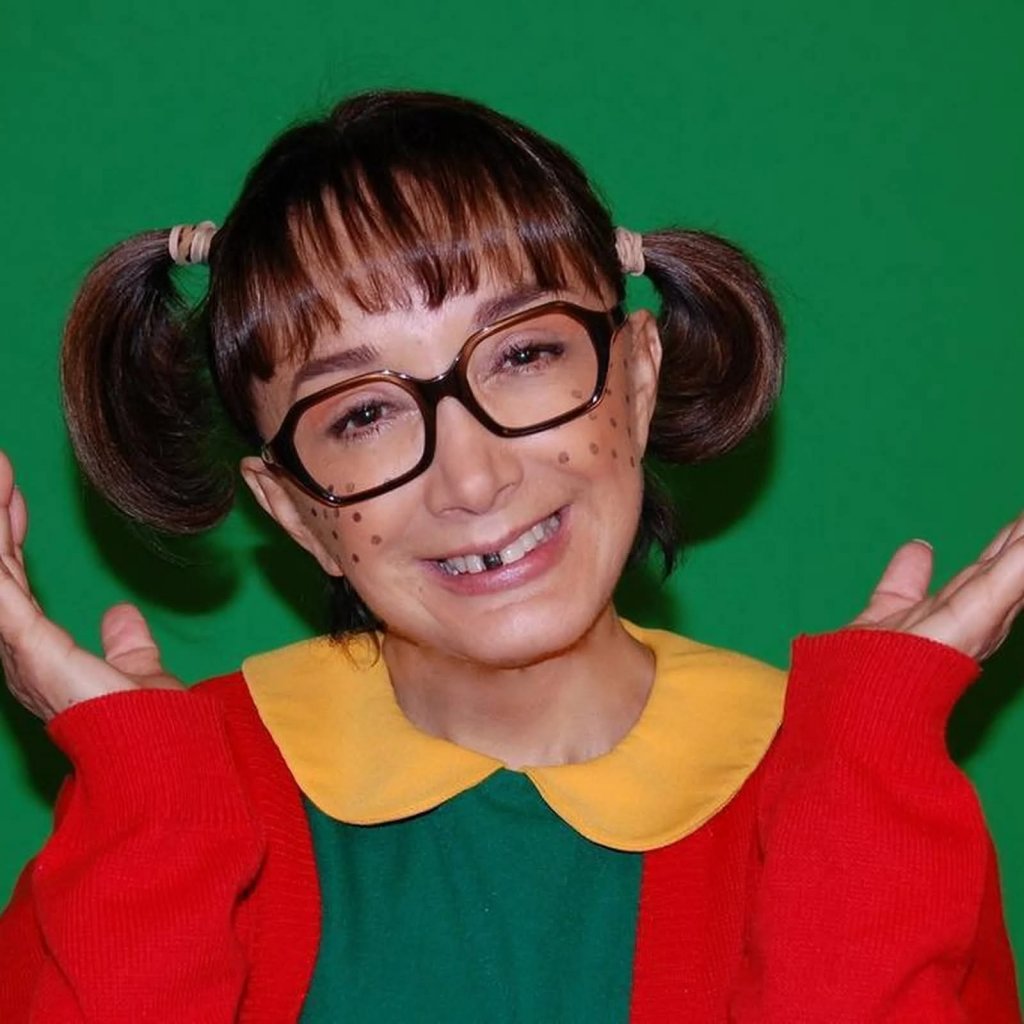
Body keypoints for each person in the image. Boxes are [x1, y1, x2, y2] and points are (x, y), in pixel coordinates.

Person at [0, 90, 1020, 1022]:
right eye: (361, 414)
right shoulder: (172, 804)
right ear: (297, 510)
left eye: (524, 354)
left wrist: (864, 769)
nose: (472, 477)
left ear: (636, 379)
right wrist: (149, 811)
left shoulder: (851, 788)